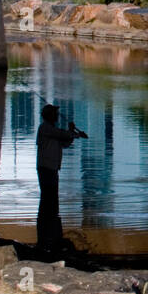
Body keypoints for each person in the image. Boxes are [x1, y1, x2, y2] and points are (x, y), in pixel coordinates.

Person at [36, 104, 86, 256]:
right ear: (49, 116)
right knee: (48, 197)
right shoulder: (45, 128)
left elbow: (64, 142)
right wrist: (73, 132)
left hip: (52, 168)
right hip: (46, 167)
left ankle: (50, 221)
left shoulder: (52, 131)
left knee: (51, 196)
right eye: (55, 114)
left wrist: (72, 133)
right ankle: (49, 223)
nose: (57, 116)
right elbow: (62, 135)